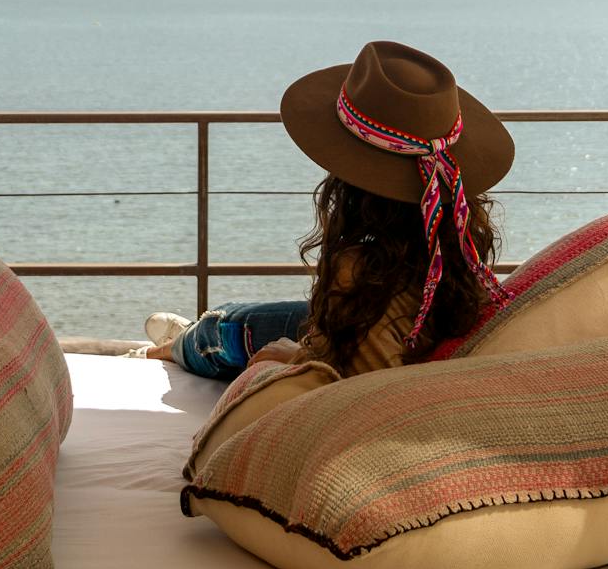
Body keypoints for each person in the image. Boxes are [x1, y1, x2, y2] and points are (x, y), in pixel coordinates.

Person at [146, 40, 511, 379]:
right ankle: (187, 332)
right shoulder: (461, 247)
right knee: (248, 316)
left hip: (359, 328)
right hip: (406, 329)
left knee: (222, 331)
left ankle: (172, 348)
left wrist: (289, 359)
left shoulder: (360, 271)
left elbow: (348, 380)